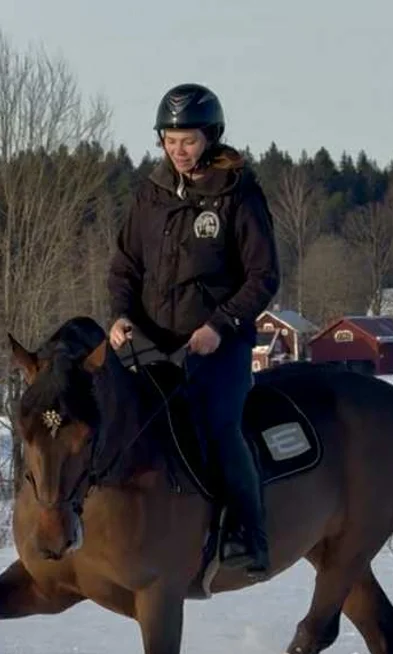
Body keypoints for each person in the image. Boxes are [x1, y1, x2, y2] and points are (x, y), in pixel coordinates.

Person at [106, 82, 281, 576]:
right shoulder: (150, 194)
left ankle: (250, 533)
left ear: (211, 137)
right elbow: (124, 268)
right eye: (170, 139)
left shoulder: (238, 194)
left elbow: (263, 276)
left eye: (189, 140)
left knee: (219, 428)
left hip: (216, 345)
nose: (178, 150)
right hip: (149, 342)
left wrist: (220, 326)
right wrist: (121, 315)